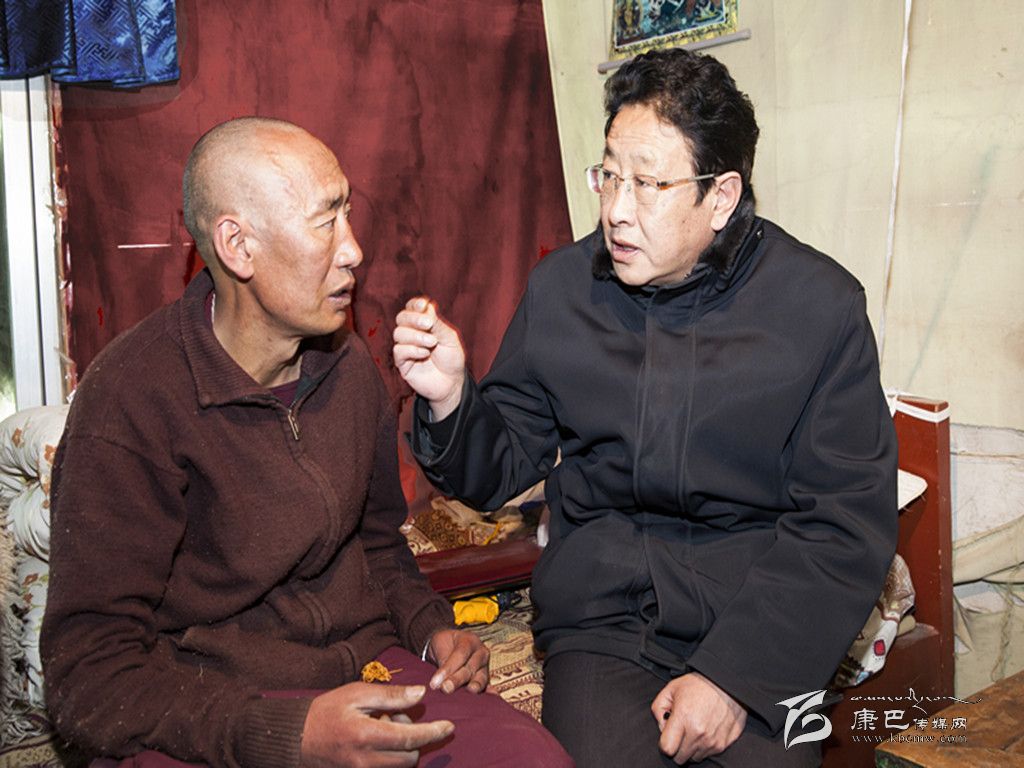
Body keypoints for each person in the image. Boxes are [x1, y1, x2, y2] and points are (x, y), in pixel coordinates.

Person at [393, 49, 898, 767]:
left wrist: (734, 680)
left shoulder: (819, 309)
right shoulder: (564, 289)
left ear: (721, 197)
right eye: (609, 176)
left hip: (762, 618)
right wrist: (450, 400)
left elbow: (845, 521)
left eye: (649, 184)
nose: (616, 210)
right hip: (604, 620)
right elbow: (497, 471)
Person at [41, 117, 571, 768]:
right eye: (326, 222)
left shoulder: (348, 369)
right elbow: (86, 675)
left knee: (531, 758)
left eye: (348, 214)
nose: (354, 250)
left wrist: (430, 629)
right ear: (238, 246)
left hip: (364, 669)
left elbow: (379, 546)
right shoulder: (130, 401)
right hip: (208, 710)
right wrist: (286, 733)